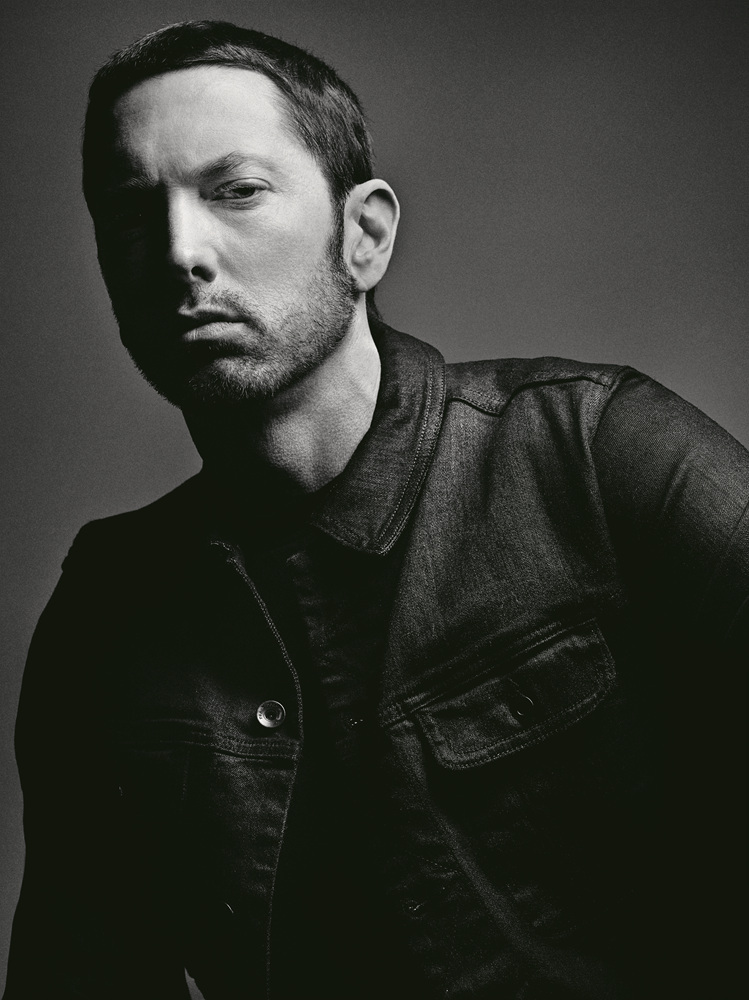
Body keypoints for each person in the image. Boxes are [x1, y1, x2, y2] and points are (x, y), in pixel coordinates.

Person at [4, 18, 747, 1000]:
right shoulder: (107, 615)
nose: (180, 250)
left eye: (235, 191)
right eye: (132, 212)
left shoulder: (595, 453)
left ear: (364, 235)